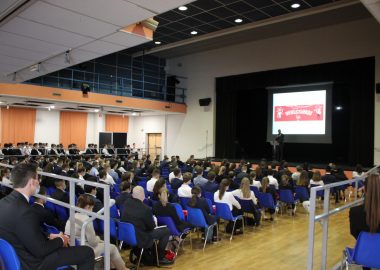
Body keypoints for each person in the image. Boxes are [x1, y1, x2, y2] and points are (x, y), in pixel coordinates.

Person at [0, 163, 95, 270]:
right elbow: (41, 250)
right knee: (87, 253)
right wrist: (61, 240)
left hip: (15, 258)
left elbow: (22, 231)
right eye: (38, 179)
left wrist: (48, 236)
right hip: (33, 263)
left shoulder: (3, 203)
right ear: (32, 182)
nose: (39, 182)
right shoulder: (26, 212)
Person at [65, 194, 129, 270]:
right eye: (92, 208)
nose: (92, 210)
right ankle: (123, 268)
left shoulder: (72, 215)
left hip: (75, 249)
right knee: (113, 248)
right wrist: (99, 239)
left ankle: (112, 267)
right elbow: (93, 242)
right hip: (86, 250)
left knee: (106, 244)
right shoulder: (86, 220)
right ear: (88, 207)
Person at [121, 186, 172, 265]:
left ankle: (154, 254)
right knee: (166, 231)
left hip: (127, 235)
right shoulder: (146, 209)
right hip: (141, 237)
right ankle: (159, 257)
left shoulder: (126, 202)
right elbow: (151, 227)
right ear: (143, 195)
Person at [349, 174, 380, 270]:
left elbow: (354, 233)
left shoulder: (354, 211)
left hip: (363, 255)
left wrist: (369, 240)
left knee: (365, 246)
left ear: (364, 190)